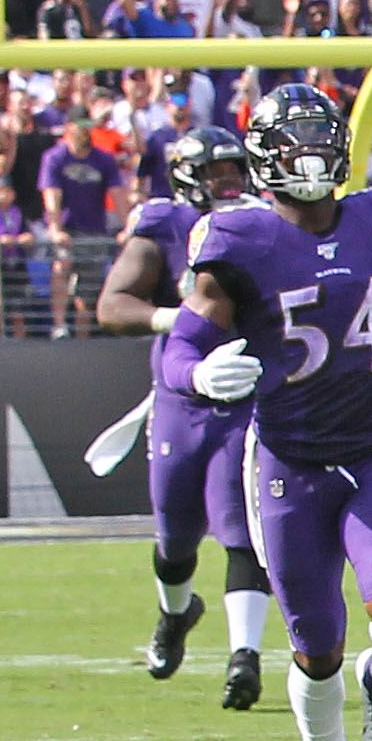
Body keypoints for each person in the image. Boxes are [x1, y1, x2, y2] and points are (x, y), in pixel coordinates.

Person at [177, 84, 372, 741]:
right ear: (265, 157)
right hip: (290, 464)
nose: (313, 155)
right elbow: (181, 349)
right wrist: (197, 375)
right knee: (316, 646)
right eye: (294, 142)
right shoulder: (238, 242)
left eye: (320, 138)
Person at [96, 126, 273, 705]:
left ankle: (243, 658)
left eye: (234, 171)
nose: (227, 183)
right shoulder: (165, 225)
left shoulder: (267, 221)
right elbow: (113, 304)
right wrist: (185, 323)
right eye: (214, 173)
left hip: (247, 396)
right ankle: (176, 613)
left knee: (242, 525)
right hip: (181, 397)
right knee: (175, 537)